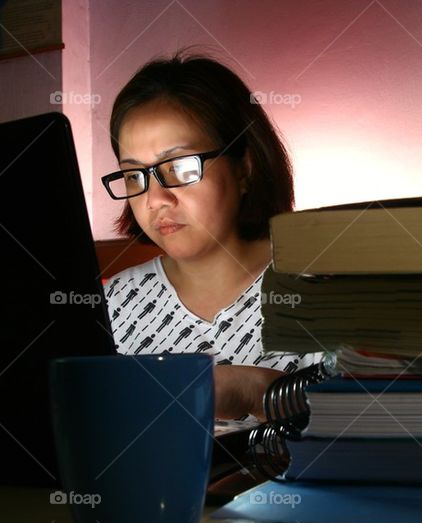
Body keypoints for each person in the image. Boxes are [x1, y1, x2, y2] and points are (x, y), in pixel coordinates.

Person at [101, 50, 322, 420]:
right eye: (133, 175)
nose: (156, 200)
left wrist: (259, 392)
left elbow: (386, 433)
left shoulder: (330, 287)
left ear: (244, 168)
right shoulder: (110, 305)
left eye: (180, 167)